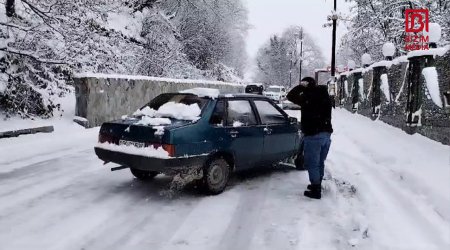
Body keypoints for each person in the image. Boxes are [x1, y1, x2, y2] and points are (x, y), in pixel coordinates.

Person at [287, 77, 333, 199]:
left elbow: (290, 96)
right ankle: (317, 184)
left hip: (313, 134)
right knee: (319, 162)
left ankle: (316, 189)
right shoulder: (325, 96)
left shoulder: (307, 97)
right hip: (326, 134)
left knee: (312, 163)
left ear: (306, 85)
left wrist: (301, 86)